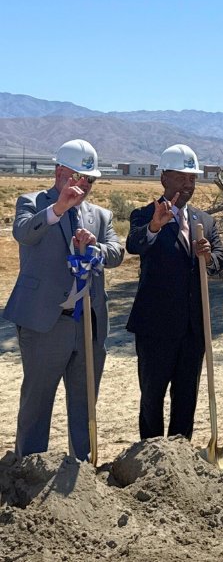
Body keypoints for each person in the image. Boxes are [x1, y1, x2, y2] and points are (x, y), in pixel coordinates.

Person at [5, 139, 123, 458]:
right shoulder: (31, 203)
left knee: (84, 401)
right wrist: (59, 209)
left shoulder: (100, 215)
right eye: (77, 177)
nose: (83, 185)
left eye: (89, 180)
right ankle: (28, 468)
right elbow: (24, 232)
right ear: (59, 172)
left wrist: (96, 249)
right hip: (46, 324)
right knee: (37, 401)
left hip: (88, 322)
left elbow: (117, 251)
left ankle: (80, 469)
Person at [126, 144, 223, 440]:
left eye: (192, 179)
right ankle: (151, 454)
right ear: (163, 179)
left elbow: (221, 258)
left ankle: (181, 455)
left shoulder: (204, 221)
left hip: (193, 329)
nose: (188, 185)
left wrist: (207, 257)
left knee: (186, 398)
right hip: (155, 329)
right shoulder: (144, 214)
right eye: (181, 177)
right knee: (152, 397)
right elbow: (134, 244)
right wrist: (155, 227)